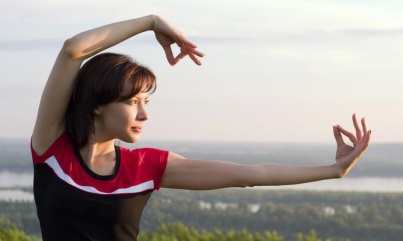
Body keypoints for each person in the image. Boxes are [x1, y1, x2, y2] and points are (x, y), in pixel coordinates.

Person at [30, 15, 371, 241]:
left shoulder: (144, 167)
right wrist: (150, 22)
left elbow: (249, 173)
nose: (144, 115)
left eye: (147, 102)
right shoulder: (52, 149)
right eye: (133, 102)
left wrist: (333, 170)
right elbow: (73, 51)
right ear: (98, 104)